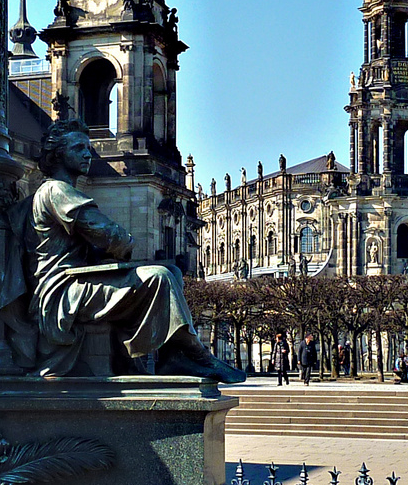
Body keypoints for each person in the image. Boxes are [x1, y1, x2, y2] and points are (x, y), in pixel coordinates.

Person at [13, 118, 244, 382]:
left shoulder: (54, 190)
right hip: (61, 293)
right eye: (78, 148)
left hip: (72, 284)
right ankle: (194, 354)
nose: (88, 154)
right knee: (160, 277)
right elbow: (113, 237)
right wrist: (122, 246)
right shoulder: (57, 189)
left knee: (171, 273)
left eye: (88, 147)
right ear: (57, 154)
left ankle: (172, 355)